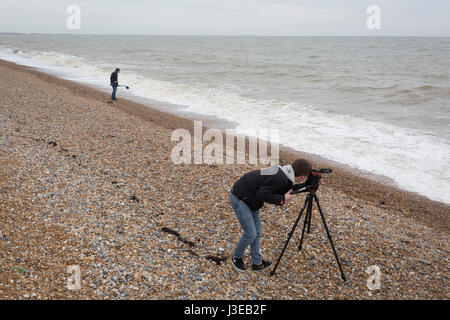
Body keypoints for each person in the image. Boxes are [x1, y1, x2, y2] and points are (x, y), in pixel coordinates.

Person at [229, 158, 313, 272]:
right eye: (307, 177)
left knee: (257, 233)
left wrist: (307, 186)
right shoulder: (279, 178)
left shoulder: (284, 172)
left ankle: (257, 263)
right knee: (250, 233)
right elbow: (263, 195)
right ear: (303, 176)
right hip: (240, 198)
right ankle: (236, 257)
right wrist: (282, 199)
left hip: (250, 199)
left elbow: (287, 188)